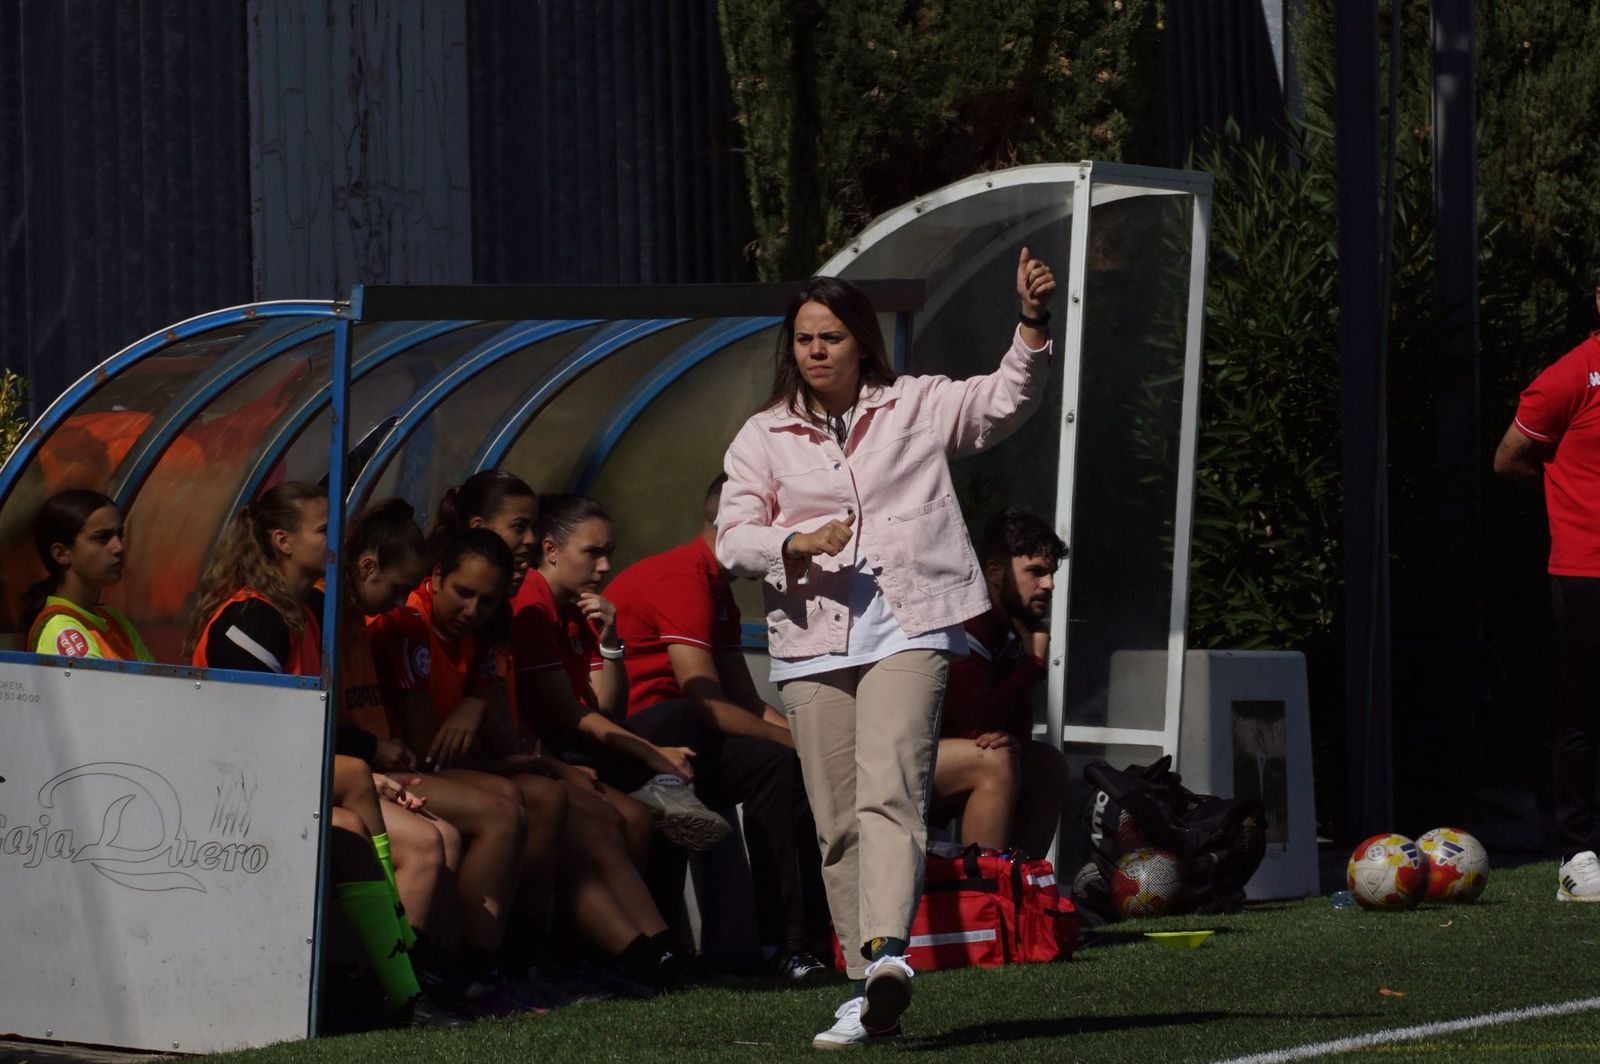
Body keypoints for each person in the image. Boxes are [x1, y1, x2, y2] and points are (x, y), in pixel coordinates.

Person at [717, 249, 1056, 1047]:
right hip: (808, 645)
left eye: (832, 336)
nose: (817, 351)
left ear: (864, 343)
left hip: (911, 626)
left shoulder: (914, 403)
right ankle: (863, 989)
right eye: (805, 339)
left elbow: (1003, 402)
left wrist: (1032, 324)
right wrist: (796, 540)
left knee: (890, 789)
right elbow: (732, 540)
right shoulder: (762, 435)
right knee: (836, 821)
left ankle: (887, 956)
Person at [186, 482, 458, 1027]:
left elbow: (306, 726)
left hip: (281, 779)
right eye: (322, 530)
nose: (336, 540)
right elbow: (242, 732)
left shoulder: (303, 610)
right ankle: (401, 960)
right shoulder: (253, 619)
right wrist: (352, 771)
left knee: (367, 824)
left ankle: (398, 992)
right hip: (226, 791)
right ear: (282, 541)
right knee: (375, 792)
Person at [372, 526, 689, 993]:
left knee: (620, 814)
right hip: (417, 770)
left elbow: (525, 726)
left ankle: (630, 954)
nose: (472, 610)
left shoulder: (498, 627)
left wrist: (482, 704)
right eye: (463, 594)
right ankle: (496, 967)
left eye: (486, 600)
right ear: (436, 576)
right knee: (531, 804)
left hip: (486, 763)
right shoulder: (411, 624)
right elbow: (430, 750)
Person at [607, 472, 831, 979]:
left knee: (783, 765)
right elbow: (704, 702)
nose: (780, 545)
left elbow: (746, 703)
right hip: (644, 735)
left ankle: (793, 943)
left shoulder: (718, 590)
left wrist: (811, 745)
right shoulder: (683, 579)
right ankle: (756, 942)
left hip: (690, 732)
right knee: (760, 751)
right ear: (731, 523)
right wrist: (795, 744)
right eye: (769, 530)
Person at [508, 492, 732, 853]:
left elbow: (609, 708)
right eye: (592, 553)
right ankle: (664, 789)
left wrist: (610, 641)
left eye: (608, 553)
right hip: (550, 746)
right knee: (677, 730)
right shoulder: (533, 599)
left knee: (678, 717)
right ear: (550, 550)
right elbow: (570, 712)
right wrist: (649, 752)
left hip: (579, 738)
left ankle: (668, 793)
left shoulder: (579, 610)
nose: (605, 566)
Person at [1495, 286, 1600, 901]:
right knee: (1583, 708)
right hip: (1587, 570)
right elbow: (1508, 458)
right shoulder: (1568, 377)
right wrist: (1567, 491)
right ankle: (1578, 855)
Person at [932, 507, 1069, 856]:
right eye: (1035, 572)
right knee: (996, 761)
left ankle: (1024, 891)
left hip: (945, 756)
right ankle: (987, 896)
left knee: (1046, 763)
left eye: (1051, 573)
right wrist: (1034, 666)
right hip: (895, 761)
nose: (1049, 585)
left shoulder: (1012, 628)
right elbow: (975, 725)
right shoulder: (967, 622)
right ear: (995, 572)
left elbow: (1015, 727)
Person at [23, 489, 153, 661]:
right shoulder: (60, 628)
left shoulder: (114, 620)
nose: (118, 547)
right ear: (61, 554)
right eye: (102, 538)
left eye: (119, 535)